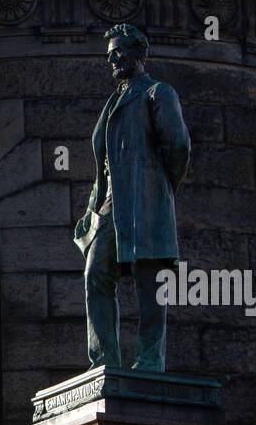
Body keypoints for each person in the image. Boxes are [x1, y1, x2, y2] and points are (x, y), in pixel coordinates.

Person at [73, 23, 190, 372]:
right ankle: (103, 361)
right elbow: (105, 163)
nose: (113, 58)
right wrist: (93, 206)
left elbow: (179, 147)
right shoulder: (112, 103)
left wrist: (156, 190)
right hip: (110, 207)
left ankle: (150, 359)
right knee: (95, 274)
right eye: (110, 54)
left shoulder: (158, 93)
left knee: (150, 280)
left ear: (139, 53)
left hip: (146, 200)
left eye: (120, 51)